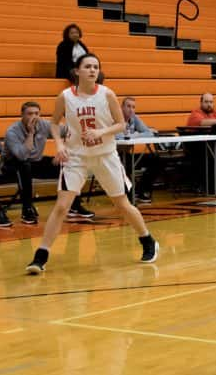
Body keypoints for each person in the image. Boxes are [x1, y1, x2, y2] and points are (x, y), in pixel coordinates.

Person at [25, 54, 159, 274]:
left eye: (95, 67)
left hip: (105, 154)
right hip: (76, 156)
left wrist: (100, 131)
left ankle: (147, 239)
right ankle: (41, 255)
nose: (92, 70)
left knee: (122, 204)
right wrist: (59, 144)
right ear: (77, 71)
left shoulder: (107, 94)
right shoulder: (65, 96)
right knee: (61, 206)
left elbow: (121, 125)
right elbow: (54, 123)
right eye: (87, 66)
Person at [1, 102, 95, 225]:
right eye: (30, 114)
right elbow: (22, 156)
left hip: (35, 162)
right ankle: (26, 210)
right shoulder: (12, 132)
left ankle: (74, 206)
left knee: (66, 165)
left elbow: (70, 131)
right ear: (22, 115)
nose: (34, 117)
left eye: (36, 113)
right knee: (25, 166)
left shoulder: (44, 125)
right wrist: (30, 133)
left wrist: (63, 149)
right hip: (12, 165)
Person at [116, 97, 160, 203]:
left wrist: (135, 135)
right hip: (115, 156)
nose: (131, 109)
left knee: (156, 160)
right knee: (124, 165)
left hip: (128, 155)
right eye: (128, 106)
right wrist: (135, 135)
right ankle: (129, 195)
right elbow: (119, 138)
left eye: (133, 107)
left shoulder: (134, 118)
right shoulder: (116, 118)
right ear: (122, 107)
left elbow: (149, 133)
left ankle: (141, 190)